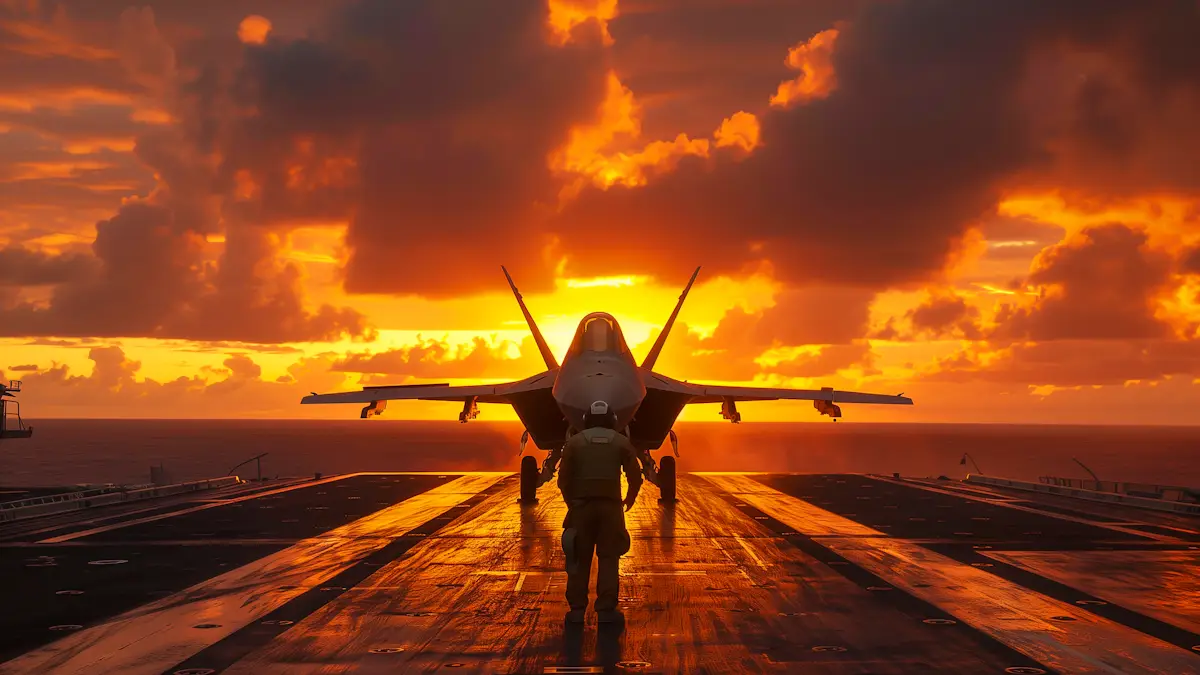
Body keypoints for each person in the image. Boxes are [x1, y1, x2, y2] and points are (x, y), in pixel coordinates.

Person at [558, 400, 642, 624]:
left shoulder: (574, 443)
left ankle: (577, 609)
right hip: (611, 509)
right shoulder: (621, 442)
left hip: (581, 508)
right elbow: (635, 474)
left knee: (578, 558)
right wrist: (630, 498)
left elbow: (563, 479)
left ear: (586, 419)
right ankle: (605, 608)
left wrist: (571, 503)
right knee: (609, 558)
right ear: (611, 419)